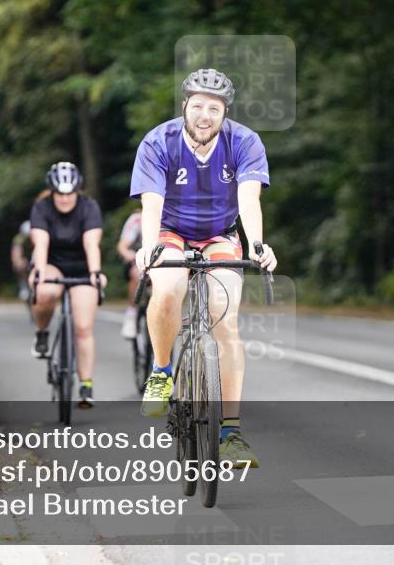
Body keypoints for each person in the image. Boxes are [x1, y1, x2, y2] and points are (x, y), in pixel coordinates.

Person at [130, 68, 277, 468]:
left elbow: (249, 200)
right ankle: (161, 371)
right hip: (170, 230)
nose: (204, 116)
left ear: (225, 112)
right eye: (197, 106)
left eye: (214, 108)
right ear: (185, 106)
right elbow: (151, 204)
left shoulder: (244, 141)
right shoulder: (158, 141)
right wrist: (149, 248)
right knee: (167, 289)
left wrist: (257, 244)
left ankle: (230, 432)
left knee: (224, 318)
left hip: (219, 233)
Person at [27, 162, 107, 409]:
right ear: (52, 192)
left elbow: (91, 243)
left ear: (77, 191)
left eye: (69, 193)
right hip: (52, 263)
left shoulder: (89, 207)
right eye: (59, 194)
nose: (64, 199)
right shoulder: (42, 207)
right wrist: (40, 273)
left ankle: (86, 385)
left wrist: (95, 273)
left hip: (82, 266)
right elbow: (41, 243)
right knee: (45, 291)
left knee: (83, 327)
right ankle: (42, 332)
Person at [116, 208, 143, 339]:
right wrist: (128, 254)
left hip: (162, 261)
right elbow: (122, 246)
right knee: (136, 274)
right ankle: (132, 312)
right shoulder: (137, 219)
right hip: (138, 260)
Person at [11, 220, 33, 301]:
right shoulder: (19, 239)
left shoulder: (40, 236)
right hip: (26, 260)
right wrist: (18, 262)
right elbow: (16, 252)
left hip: (37, 258)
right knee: (19, 265)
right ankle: (23, 286)